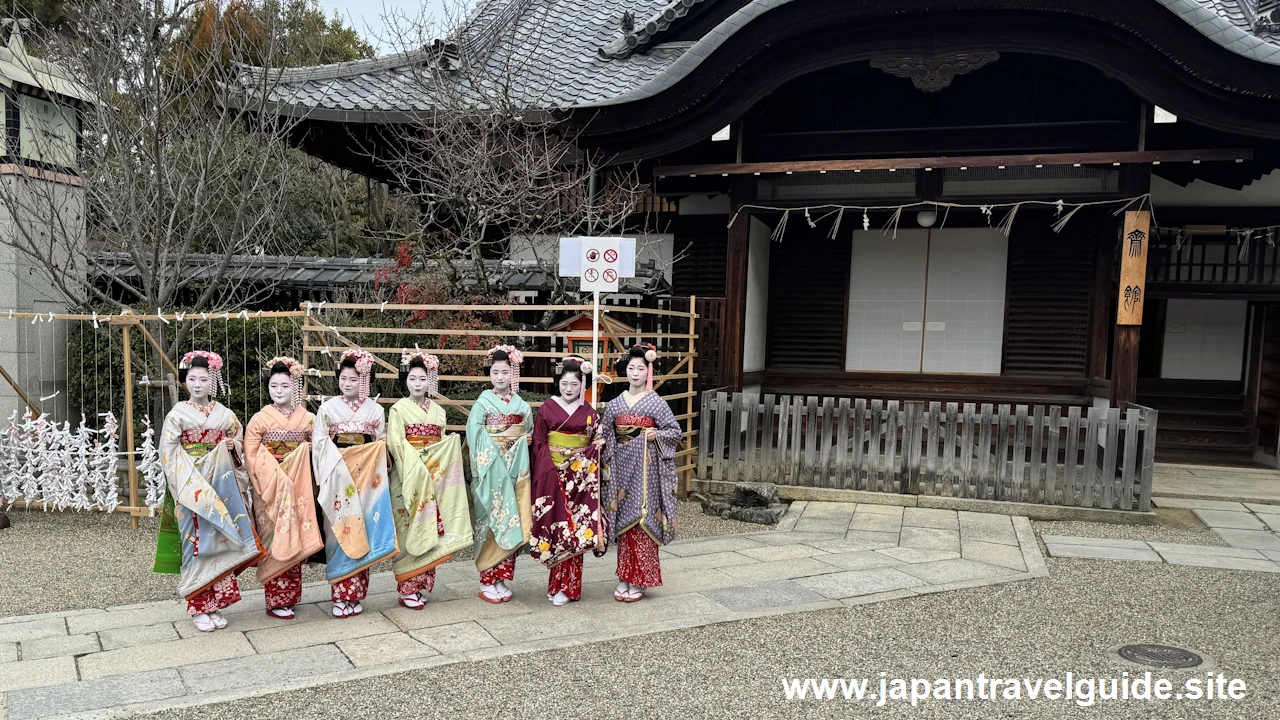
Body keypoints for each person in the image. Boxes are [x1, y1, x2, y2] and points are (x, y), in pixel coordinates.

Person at [153, 351, 263, 632]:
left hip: (220, 483)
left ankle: (214, 605)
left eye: (204, 379)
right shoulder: (177, 414)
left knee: (220, 542)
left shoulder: (225, 415)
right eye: (192, 379)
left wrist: (231, 448)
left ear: (213, 381)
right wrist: (192, 472)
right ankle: (197, 606)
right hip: (191, 485)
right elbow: (168, 451)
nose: (198, 385)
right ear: (184, 381)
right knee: (195, 544)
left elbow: (238, 441)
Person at [312, 348, 398, 618]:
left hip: (365, 483)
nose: (347, 384)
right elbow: (319, 445)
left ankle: (357, 594)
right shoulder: (327, 409)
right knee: (338, 533)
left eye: (353, 379)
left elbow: (381, 445)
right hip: (338, 479)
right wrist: (338, 464)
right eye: (343, 378)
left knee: (364, 531)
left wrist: (375, 458)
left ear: (365, 381)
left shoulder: (375, 411)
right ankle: (339, 596)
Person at [386, 349, 472, 610]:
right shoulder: (398, 410)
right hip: (408, 475)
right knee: (408, 525)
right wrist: (417, 469)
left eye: (422, 379)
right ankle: (407, 588)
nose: (417, 384)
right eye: (412, 379)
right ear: (406, 380)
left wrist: (449, 446)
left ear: (429, 381)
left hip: (433, 476)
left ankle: (421, 585)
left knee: (432, 528)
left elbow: (441, 445)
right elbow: (397, 445)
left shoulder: (438, 412)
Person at [243, 357, 324, 620]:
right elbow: (252, 456)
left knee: (295, 533)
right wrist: (276, 476)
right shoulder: (259, 419)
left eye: (285, 386)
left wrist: (307, 452)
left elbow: (320, 450)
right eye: (274, 386)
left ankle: (290, 596)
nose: (279, 391)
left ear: (295, 387)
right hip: (269, 486)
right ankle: (275, 599)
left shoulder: (309, 419)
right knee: (274, 535)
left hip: (299, 484)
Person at [602, 344, 681, 602]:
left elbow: (674, 431)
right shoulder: (614, 405)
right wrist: (604, 455)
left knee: (642, 520)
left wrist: (656, 433)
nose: (635, 373)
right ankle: (625, 576)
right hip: (621, 468)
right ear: (625, 371)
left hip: (646, 469)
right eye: (631, 368)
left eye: (641, 368)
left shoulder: (655, 403)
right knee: (624, 522)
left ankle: (640, 579)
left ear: (649, 371)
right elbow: (605, 436)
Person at [529, 355, 608, 606]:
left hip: (581, 477)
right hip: (552, 473)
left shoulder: (590, 413)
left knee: (576, 528)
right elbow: (539, 443)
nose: (569, 388)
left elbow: (598, 442)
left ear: (582, 385)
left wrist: (592, 452)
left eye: (574, 384)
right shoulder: (546, 409)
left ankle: (570, 588)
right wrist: (547, 470)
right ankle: (556, 585)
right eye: (564, 383)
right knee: (557, 526)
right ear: (557, 383)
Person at [465, 345, 533, 604]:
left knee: (511, 518)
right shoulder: (482, 403)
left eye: (505, 372)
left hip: (515, 470)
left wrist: (523, 440)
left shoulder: (522, 406)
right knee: (490, 522)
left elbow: (529, 433)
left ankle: (501, 579)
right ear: (489, 374)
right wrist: (494, 454)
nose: (500, 377)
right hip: (490, 470)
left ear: (513, 373)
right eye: (495, 372)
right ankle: (486, 580)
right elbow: (474, 436)